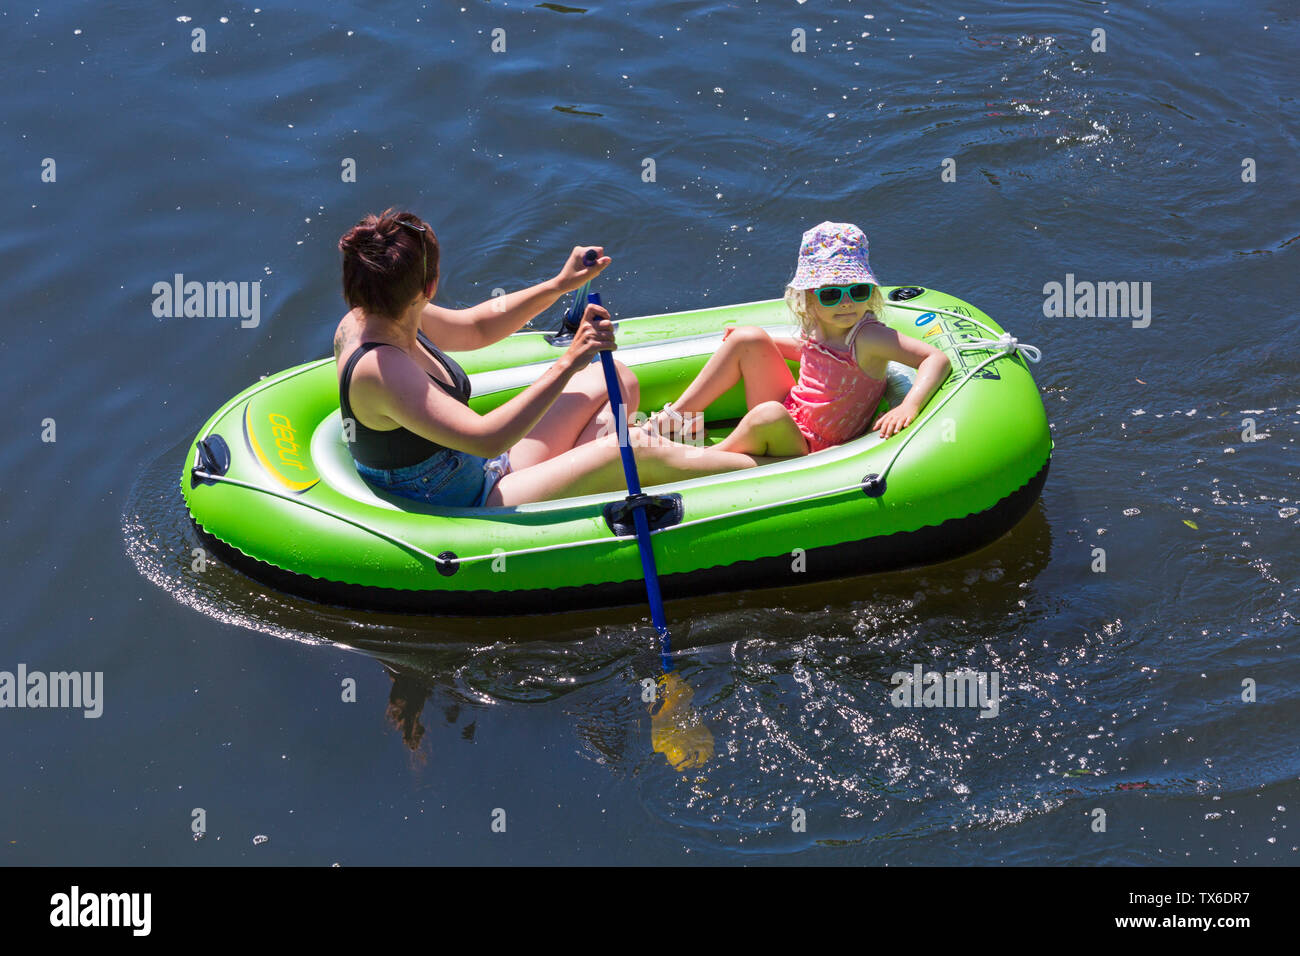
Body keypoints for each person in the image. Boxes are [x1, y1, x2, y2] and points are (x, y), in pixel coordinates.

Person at [334, 209, 769, 507]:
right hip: (467, 499)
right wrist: (570, 359)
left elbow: (478, 328)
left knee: (616, 378)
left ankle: (598, 466)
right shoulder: (379, 369)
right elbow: (487, 438)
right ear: (427, 288)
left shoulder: (388, 311)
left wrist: (560, 284)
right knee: (629, 447)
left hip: (481, 467)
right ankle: (767, 468)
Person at [641, 221, 951, 456]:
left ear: (870, 292)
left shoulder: (869, 336)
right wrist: (761, 342)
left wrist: (909, 405)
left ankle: (702, 460)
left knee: (768, 415)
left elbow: (934, 358)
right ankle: (675, 419)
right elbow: (813, 353)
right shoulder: (820, 326)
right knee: (749, 338)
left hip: (811, 445)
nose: (846, 303)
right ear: (809, 298)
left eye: (858, 291)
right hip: (793, 415)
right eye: (831, 293)